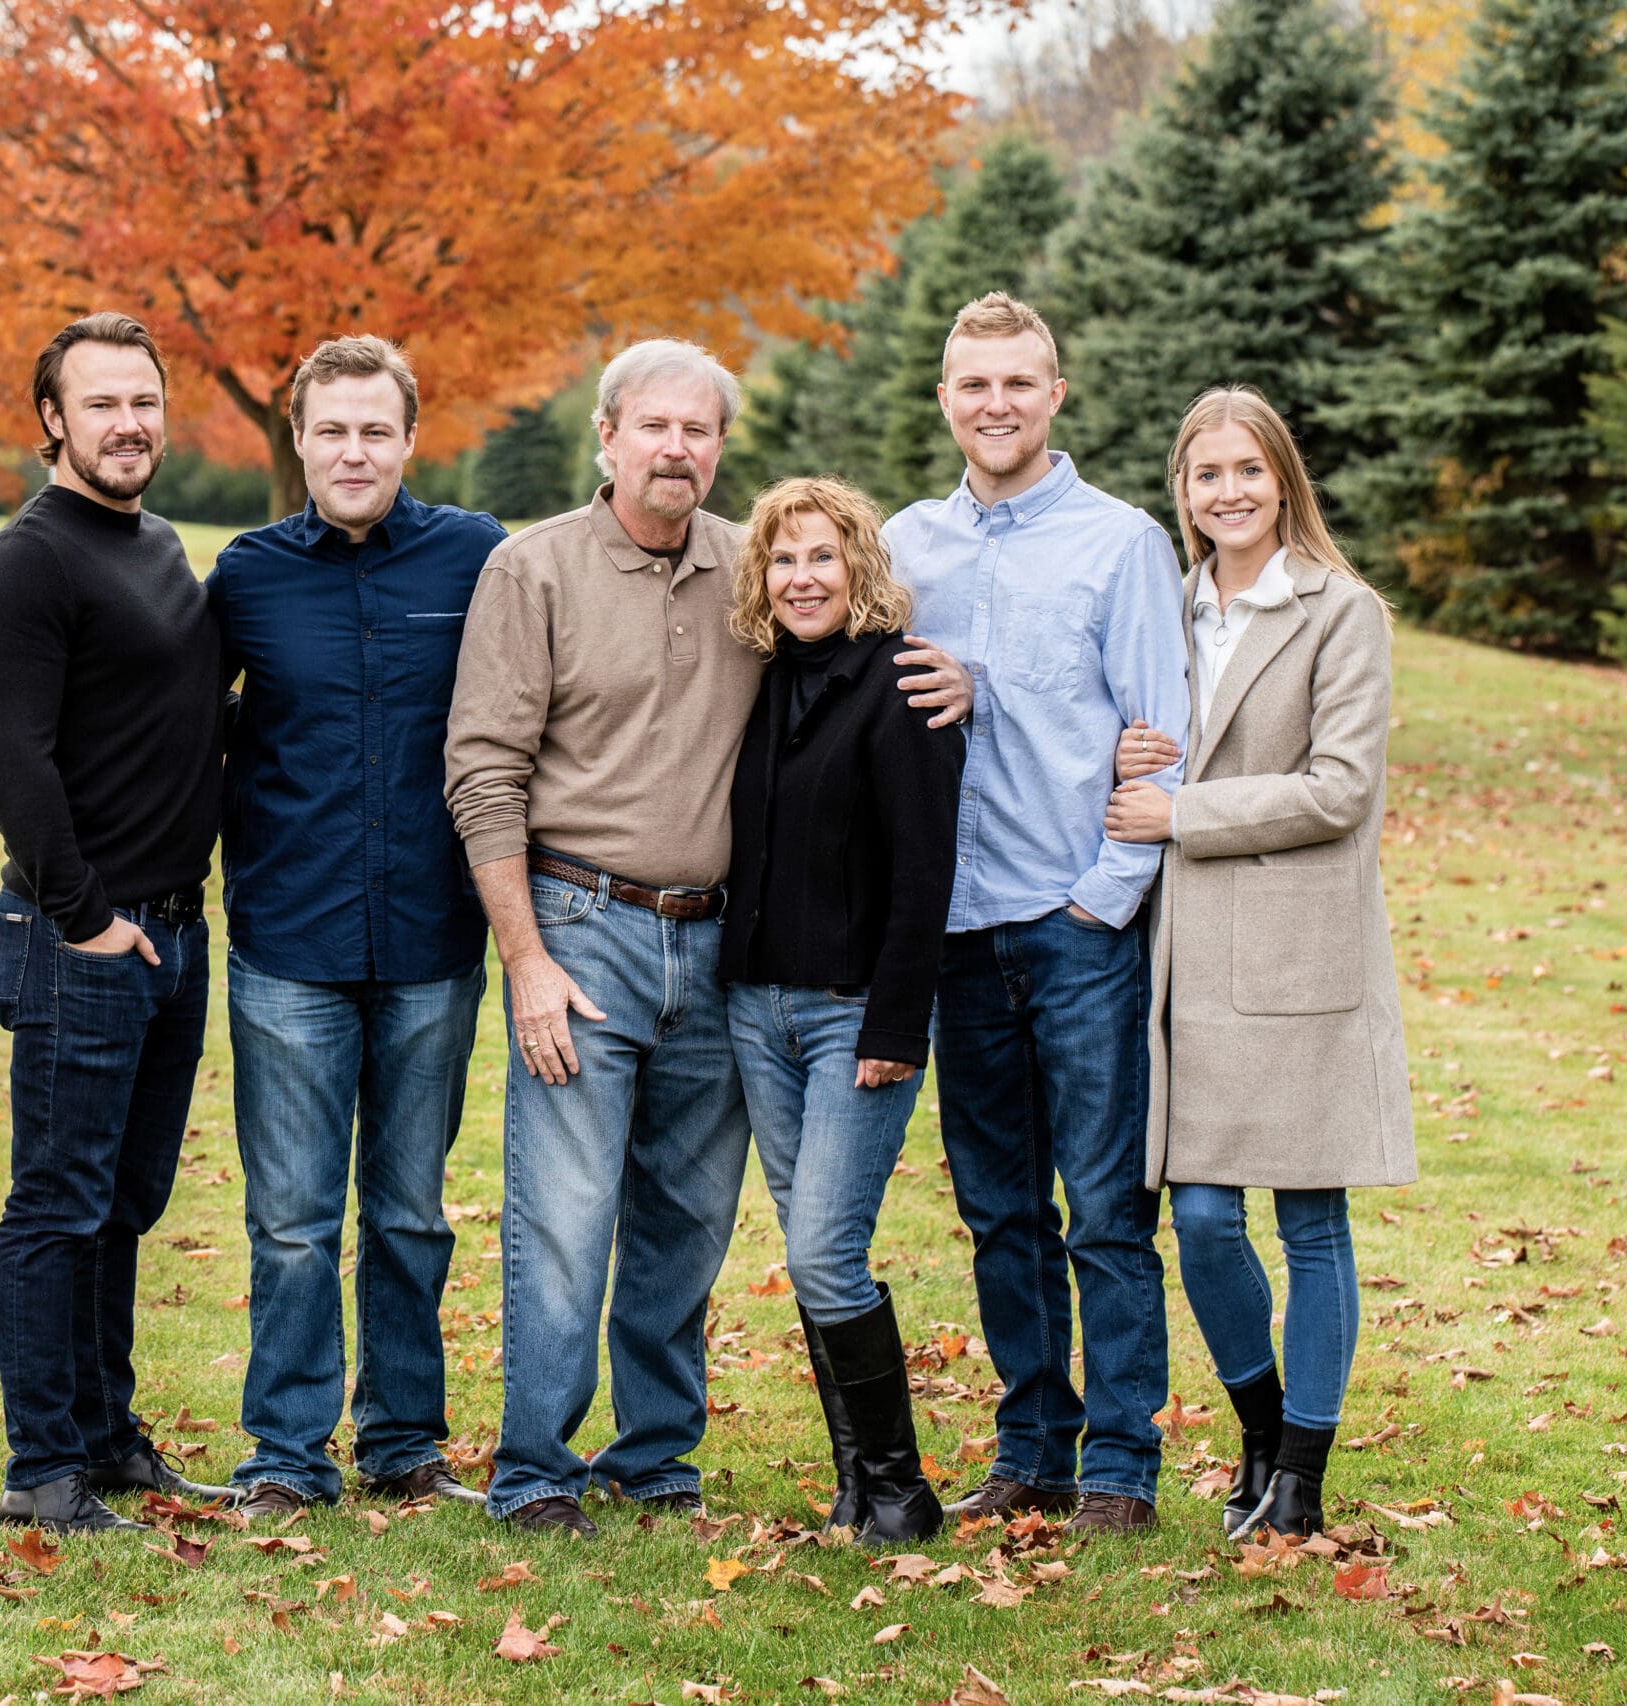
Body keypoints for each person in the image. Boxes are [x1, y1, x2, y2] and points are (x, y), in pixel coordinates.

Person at [445, 341, 972, 1536]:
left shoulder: (755, 565)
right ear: (608, 436)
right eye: (654, 427)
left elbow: (859, 671)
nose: (677, 448)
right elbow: (482, 773)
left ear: (719, 445)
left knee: (685, 1221)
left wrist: (961, 680)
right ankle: (534, 1466)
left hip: (724, 951)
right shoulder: (532, 570)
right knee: (567, 1214)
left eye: (699, 429)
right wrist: (526, 958)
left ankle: (655, 1457)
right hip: (580, 931)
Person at [884, 292, 1191, 1534]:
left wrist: (1097, 904)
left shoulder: (1120, 545)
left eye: (1017, 382)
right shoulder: (905, 546)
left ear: (1054, 394)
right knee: (998, 1209)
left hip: (1075, 929)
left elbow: (1162, 742)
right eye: (972, 384)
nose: (994, 403)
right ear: (946, 399)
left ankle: (1120, 1464)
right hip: (954, 933)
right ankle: (1031, 1447)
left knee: (1106, 1210)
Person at [1105, 386, 1416, 1540]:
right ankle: (1256, 1426)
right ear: (1181, 492)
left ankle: (1301, 1475)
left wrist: (1182, 808)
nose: (1227, 491)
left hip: (1294, 950)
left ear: (1282, 478)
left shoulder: (1341, 612)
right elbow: (1138, 744)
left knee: (1311, 1218)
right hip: (1185, 960)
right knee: (1198, 1215)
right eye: (1204, 474)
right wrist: (1129, 757)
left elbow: (1339, 788)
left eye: (1247, 469)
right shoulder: (1169, 608)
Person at [204, 336, 506, 1517]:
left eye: (374, 429)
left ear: (409, 440)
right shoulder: (246, 576)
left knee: (409, 1210)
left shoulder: (475, 556)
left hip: (433, 939)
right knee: (288, 1217)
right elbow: (175, 718)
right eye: (331, 429)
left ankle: (401, 1439)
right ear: (298, 439)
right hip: (289, 937)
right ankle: (285, 1448)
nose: (353, 450)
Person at [0, 312, 237, 1532]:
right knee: (58, 1202)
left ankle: (108, 1437)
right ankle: (44, 1470)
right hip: (87, 936)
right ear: (52, 423)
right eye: (102, 403)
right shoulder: (29, 564)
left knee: (125, 1203)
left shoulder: (158, 542)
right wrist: (84, 920)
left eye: (145, 401)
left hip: (175, 932)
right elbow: (16, 763)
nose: (129, 424)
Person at [718, 476, 963, 1545]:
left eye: (821, 557)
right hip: (755, 1009)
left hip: (851, 1013)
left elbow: (925, 872)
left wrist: (896, 1026)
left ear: (859, 567)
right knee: (810, 1243)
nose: (801, 577)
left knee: (824, 1250)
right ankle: (858, 1486)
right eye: (782, 559)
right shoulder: (765, 681)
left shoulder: (903, 684)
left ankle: (903, 1489)